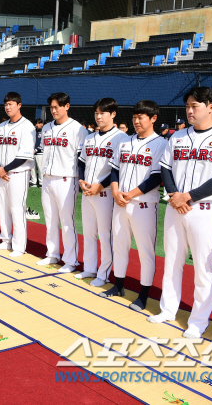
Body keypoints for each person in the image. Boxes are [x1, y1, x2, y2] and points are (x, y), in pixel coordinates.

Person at [148, 87, 212, 338]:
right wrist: (175, 195)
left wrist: (187, 197)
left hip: (205, 209)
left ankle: (199, 321)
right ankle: (168, 309)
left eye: (195, 106)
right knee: (172, 262)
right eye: (188, 106)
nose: (190, 110)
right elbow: (165, 168)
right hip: (176, 206)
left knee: (203, 267)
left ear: (211, 107)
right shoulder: (177, 137)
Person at [98, 100, 165, 310]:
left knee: (145, 251)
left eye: (141, 117)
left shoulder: (161, 143)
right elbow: (115, 169)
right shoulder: (125, 141)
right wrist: (116, 191)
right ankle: (118, 286)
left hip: (143, 204)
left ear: (153, 118)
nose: (136, 121)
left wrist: (129, 194)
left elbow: (156, 178)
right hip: (120, 202)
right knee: (119, 246)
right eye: (134, 117)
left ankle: (143, 295)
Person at [76, 98, 127, 287]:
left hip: (105, 193)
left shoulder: (121, 138)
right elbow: (81, 162)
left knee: (105, 235)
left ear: (113, 114)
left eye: (103, 113)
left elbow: (119, 169)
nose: (98, 116)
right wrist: (81, 179)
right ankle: (89, 267)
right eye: (96, 113)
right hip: (88, 191)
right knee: (88, 232)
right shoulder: (89, 137)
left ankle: (103, 273)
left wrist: (100, 185)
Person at [36, 92, 88, 271]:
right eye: (51, 107)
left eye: (57, 107)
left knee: (67, 221)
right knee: (50, 219)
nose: (53, 110)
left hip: (67, 179)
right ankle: (52, 254)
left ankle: (71, 261)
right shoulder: (46, 128)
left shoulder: (78, 129)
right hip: (48, 178)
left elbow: (82, 157)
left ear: (67, 106)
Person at [0, 92, 36, 257]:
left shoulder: (27, 126)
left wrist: (5, 169)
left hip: (18, 173)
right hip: (2, 173)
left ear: (19, 105)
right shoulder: (1, 127)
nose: (8, 107)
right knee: (2, 208)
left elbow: (24, 155)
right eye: (6, 104)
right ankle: (5, 240)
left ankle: (19, 246)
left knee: (17, 209)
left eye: (11, 104)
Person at [31, 118, 44, 188]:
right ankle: (34, 182)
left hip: (40, 153)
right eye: (36, 123)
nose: (37, 125)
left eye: (39, 123)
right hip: (32, 152)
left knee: (40, 168)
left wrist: (36, 149)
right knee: (32, 168)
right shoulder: (33, 131)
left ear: (42, 124)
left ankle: (41, 182)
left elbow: (43, 143)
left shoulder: (43, 132)